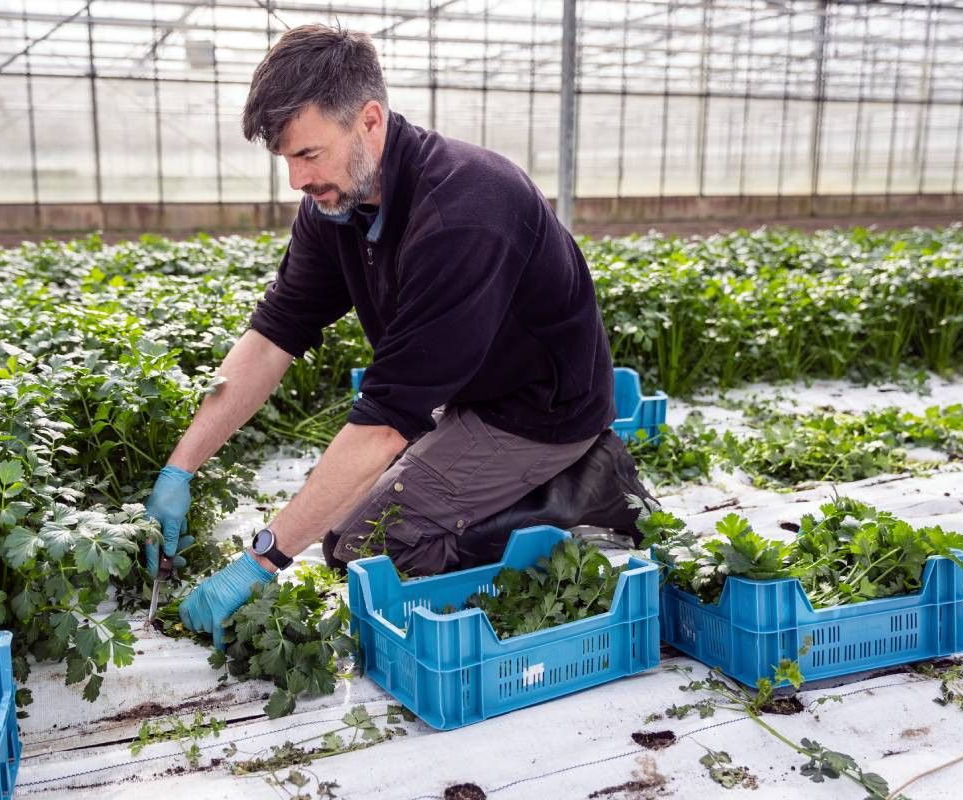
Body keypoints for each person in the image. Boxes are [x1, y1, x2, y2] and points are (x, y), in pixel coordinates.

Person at [141, 24, 655, 645]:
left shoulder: (465, 211)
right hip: (466, 395)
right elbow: (274, 333)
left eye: (309, 155)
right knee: (349, 514)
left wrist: (261, 560)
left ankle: (578, 496)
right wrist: (181, 468)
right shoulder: (337, 206)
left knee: (364, 544)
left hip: (535, 412)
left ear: (370, 121)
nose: (296, 181)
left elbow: (386, 422)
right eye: (286, 160)